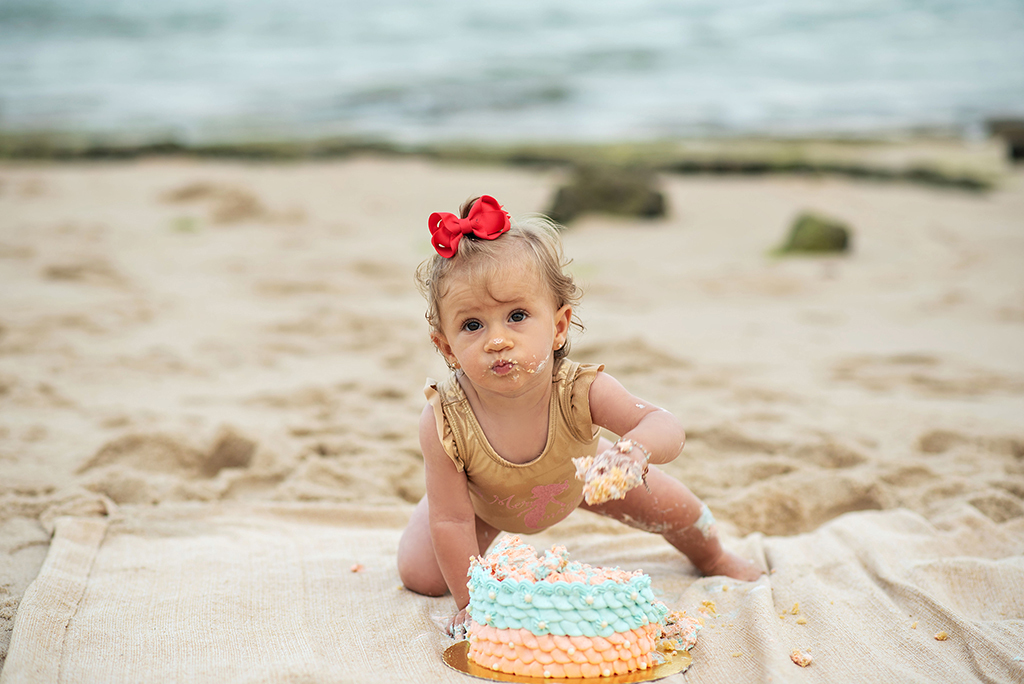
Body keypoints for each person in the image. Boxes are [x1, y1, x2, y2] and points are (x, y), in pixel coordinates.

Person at [397, 195, 761, 635]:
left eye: (517, 316)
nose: (497, 340)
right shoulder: (444, 419)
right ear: (446, 346)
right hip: (484, 503)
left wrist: (635, 451)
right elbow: (452, 521)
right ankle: (437, 495)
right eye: (472, 325)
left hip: (582, 477)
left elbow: (665, 424)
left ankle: (716, 557)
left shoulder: (579, 390)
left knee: (680, 512)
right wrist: (472, 605)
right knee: (420, 576)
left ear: (559, 326)